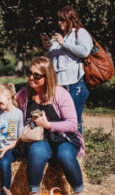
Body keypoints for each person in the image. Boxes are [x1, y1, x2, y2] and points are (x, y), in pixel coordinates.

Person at [16, 56, 85, 195]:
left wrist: (48, 125)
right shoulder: (24, 94)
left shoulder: (60, 94)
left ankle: (78, 193)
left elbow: (72, 124)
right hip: (38, 138)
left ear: (47, 77)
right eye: (29, 73)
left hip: (62, 137)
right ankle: (33, 194)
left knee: (65, 155)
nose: (31, 78)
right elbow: (11, 110)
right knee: (37, 151)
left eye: (36, 75)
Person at [41, 6, 93, 135]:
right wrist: (47, 48)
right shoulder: (58, 37)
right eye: (58, 20)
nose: (59, 23)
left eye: (62, 19)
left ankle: (77, 148)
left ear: (71, 19)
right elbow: (50, 61)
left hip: (74, 84)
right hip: (57, 85)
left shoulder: (80, 32)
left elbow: (85, 51)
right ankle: (61, 146)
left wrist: (64, 43)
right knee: (57, 117)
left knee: (73, 118)